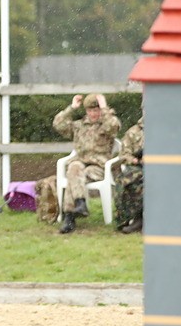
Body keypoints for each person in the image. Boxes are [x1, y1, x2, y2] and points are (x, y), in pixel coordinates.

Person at [52, 93, 120, 234]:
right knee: (74, 168)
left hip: (99, 167)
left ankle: (69, 217)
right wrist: (72, 108)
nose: (93, 114)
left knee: (75, 175)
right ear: (86, 111)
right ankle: (80, 203)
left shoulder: (107, 123)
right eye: (90, 110)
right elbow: (58, 124)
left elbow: (113, 126)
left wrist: (105, 108)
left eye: (96, 110)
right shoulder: (79, 126)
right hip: (81, 162)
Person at [114, 116, 144, 233]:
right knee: (123, 181)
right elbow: (124, 154)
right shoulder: (133, 132)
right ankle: (126, 218)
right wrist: (137, 160)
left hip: (163, 167)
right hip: (138, 166)